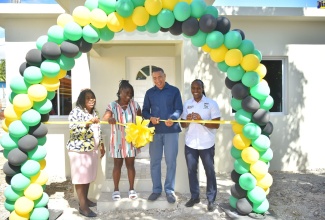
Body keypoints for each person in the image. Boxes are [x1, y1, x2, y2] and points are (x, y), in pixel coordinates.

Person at [142, 66, 183, 204]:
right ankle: (156, 190)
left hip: (171, 132)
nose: (157, 80)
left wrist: (174, 117)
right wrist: (151, 117)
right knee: (154, 162)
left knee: (171, 162)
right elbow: (145, 111)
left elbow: (179, 108)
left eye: (160, 77)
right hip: (155, 132)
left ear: (164, 76)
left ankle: (169, 190)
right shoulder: (149, 93)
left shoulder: (174, 91)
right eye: (154, 78)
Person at [180, 79, 221, 212]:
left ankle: (211, 199)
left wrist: (201, 121)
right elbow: (182, 124)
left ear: (203, 88)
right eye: (193, 88)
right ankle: (195, 197)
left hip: (207, 143)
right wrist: (187, 120)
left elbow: (216, 124)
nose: (195, 91)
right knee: (192, 171)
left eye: (198, 88)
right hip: (190, 143)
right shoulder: (187, 104)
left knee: (209, 171)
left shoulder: (211, 104)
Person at [66, 88, 105, 218]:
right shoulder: (75, 112)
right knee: (81, 178)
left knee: (87, 177)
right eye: (88, 98)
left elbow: (98, 130)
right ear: (82, 100)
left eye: (93, 98)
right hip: (79, 150)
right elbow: (74, 130)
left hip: (92, 150)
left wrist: (102, 145)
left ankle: (86, 199)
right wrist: (88, 123)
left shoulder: (95, 112)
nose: (91, 100)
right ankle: (83, 207)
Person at [102, 80, 142, 201]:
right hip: (117, 141)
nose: (129, 95)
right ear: (120, 92)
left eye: (131, 93)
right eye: (126, 93)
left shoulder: (135, 105)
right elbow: (104, 118)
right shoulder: (112, 105)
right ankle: (116, 190)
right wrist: (110, 119)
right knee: (117, 166)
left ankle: (131, 189)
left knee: (130, 166)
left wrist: (139, 139)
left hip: (131, 141)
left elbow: (140, 121)